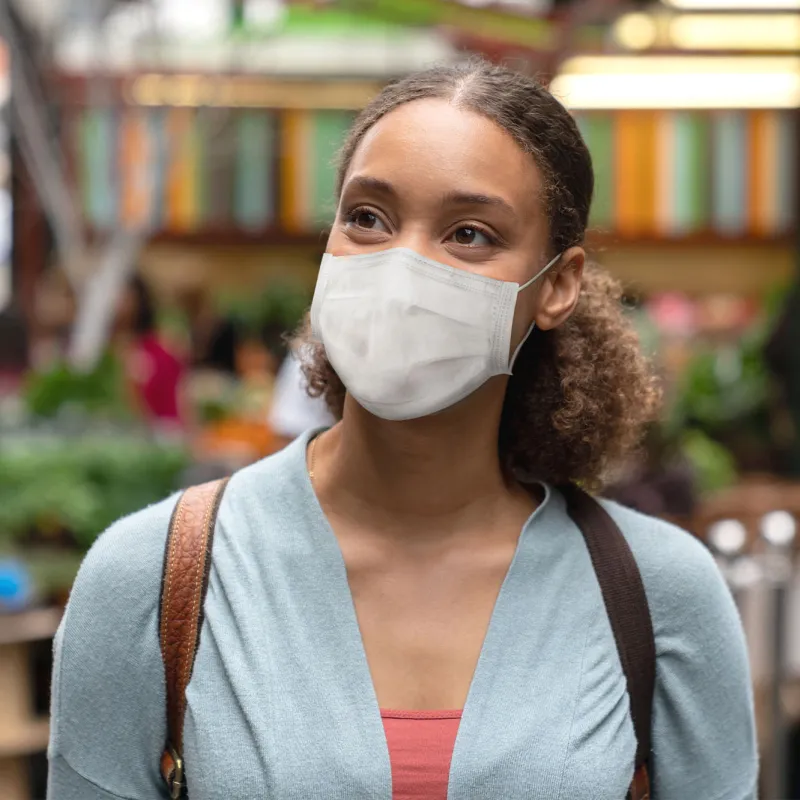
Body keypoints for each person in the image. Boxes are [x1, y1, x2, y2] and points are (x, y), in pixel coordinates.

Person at [47, 60, 757, 799]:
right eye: (368, 218)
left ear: (556, 285)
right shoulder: (154, 579)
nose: (402, 265)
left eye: (469, 233)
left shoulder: (658, 593)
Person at [112, 274, 186, 430]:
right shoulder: (100, 349)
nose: (116, 302)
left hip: (161, 433)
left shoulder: (160, 347)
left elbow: (179, 398)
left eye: (124, 295)